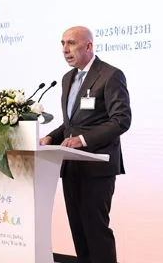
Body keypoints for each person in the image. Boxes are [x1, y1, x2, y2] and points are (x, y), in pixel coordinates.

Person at [39, 25, 131, 263]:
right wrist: (51, 137)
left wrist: (82, 140)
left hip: (97, 166)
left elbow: (121, 120)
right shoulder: (67, 78)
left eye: (71, 43)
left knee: (96, 232)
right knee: (79, 232)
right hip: (72, 167)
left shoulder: (110, 75)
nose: (65, 49)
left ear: (88, 46)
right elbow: (72, 123)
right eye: (62, 43)